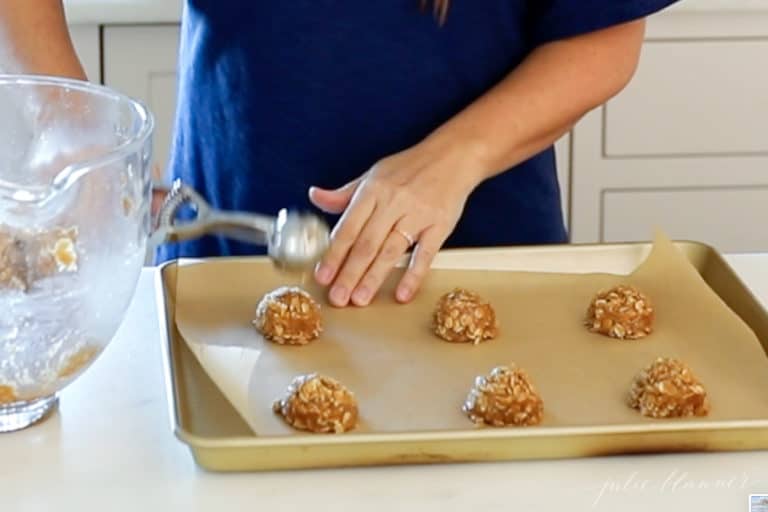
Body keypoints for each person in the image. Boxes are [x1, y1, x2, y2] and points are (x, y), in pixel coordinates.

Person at [2, 0, 678, 308]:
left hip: (480, 261)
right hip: (227, 261)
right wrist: (74, 127)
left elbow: (603, 40)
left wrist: (451, 159)